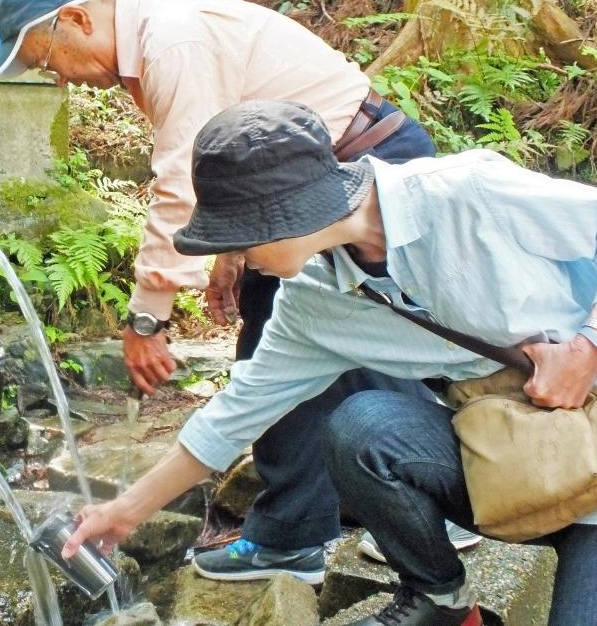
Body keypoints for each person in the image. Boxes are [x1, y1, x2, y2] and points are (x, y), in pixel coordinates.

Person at [0, 0, 478, 582]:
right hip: (301, 190)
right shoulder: (160, 38)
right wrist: (231, 253)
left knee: (355, 342)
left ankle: (423, 508)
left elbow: (181, 184)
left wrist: (147, 316)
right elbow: (232, 157)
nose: (57, 79)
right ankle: (297, 533)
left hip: (356, 176)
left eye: (44, 58)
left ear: (76, 19)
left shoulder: (173, 42)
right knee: (290, 339)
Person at [61, 99, 597, 625]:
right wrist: (123, 512)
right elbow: (233, 415)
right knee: (362, 428)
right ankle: (445, 603)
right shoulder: (313, 299)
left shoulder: (467, 193)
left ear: (285, 217)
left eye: (239, 238)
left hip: (586, 446)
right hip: (519, 456)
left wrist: (586, 349)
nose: (236, 257)